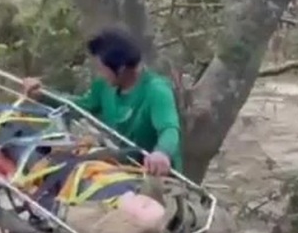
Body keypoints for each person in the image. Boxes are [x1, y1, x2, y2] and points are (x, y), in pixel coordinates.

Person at [22, 26, 182, 176]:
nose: (100, 74)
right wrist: (42, 94)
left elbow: (169, 128)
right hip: (120, 168)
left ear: (120, 69)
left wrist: (162, 152)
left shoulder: (157, 90)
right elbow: (78, 106)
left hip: (153, 175)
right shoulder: (104, 86)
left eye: (102, 69)